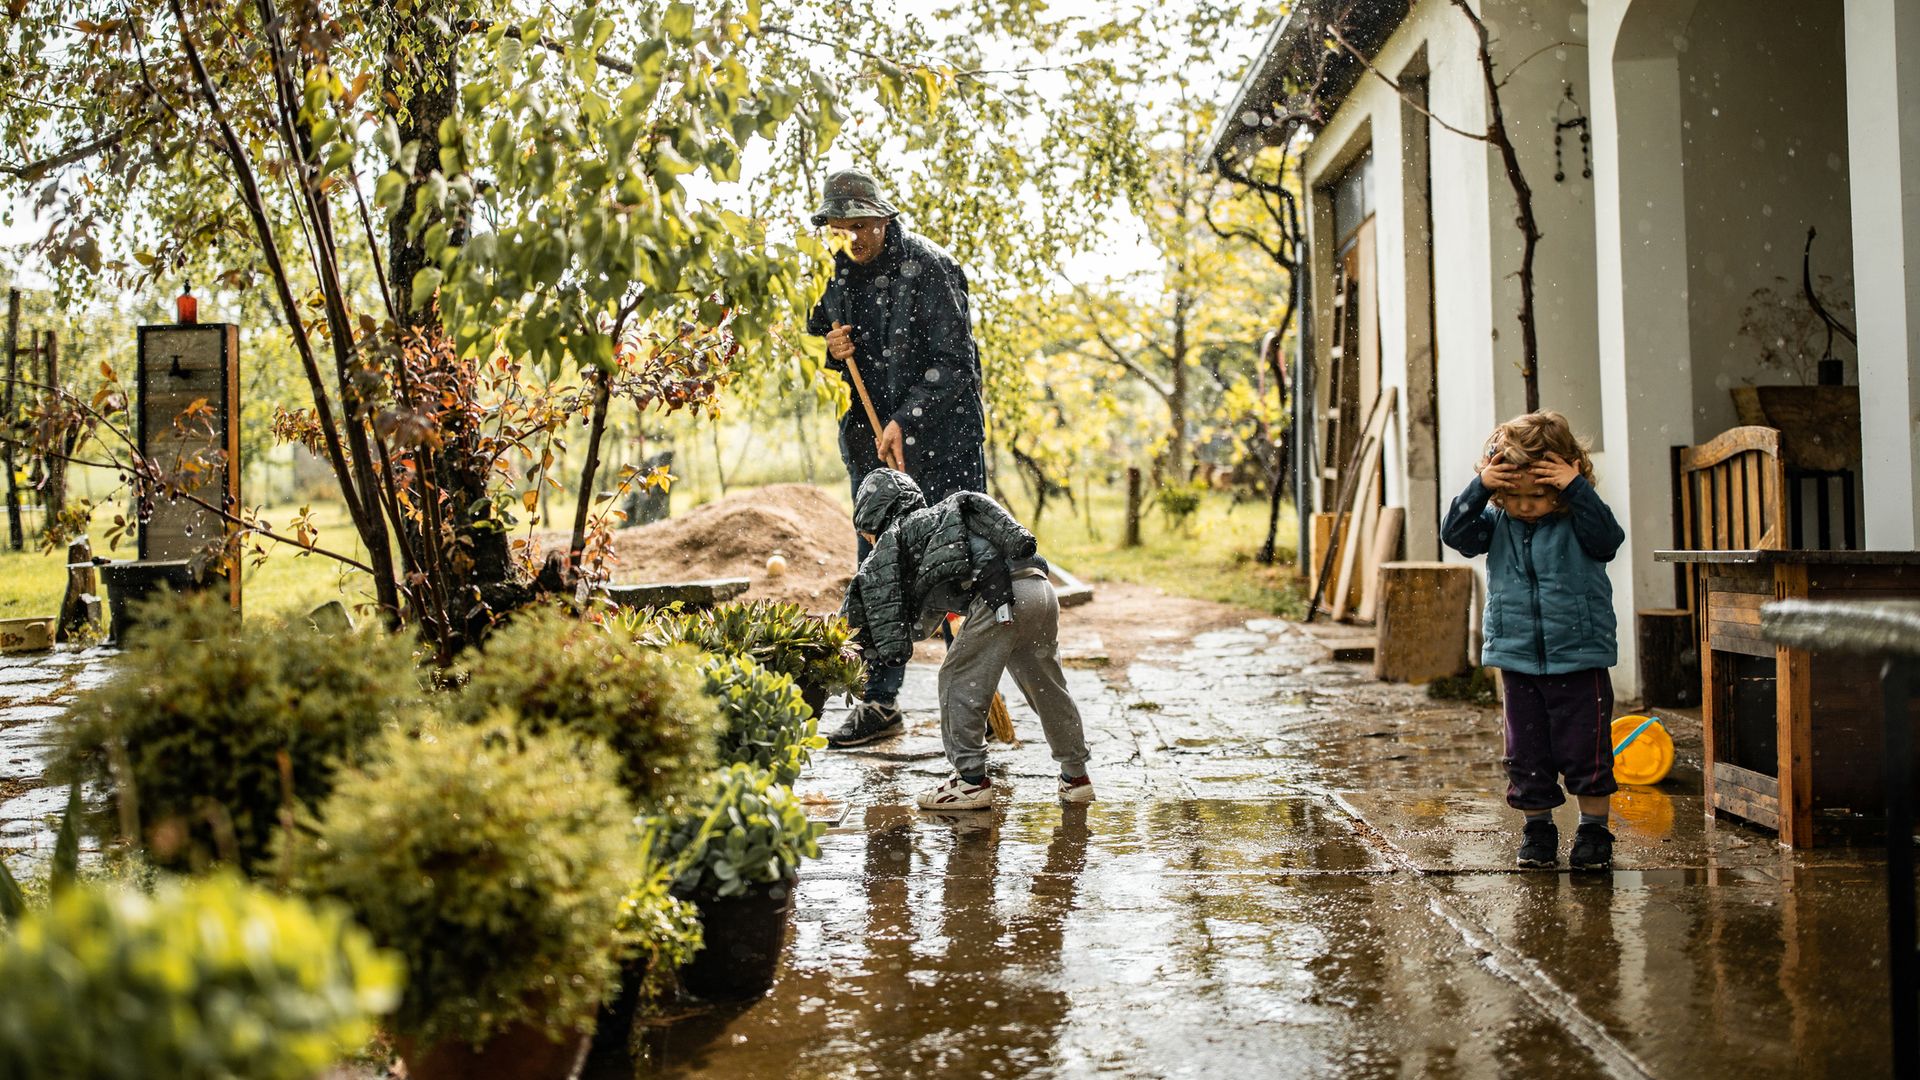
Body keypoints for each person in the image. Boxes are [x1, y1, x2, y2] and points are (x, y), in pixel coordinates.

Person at [804, 168, 989, 748]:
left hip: (942, 447)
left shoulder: (930, 269)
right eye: (842, 228)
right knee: (880, 571)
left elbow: (956, 367)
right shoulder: (837, 272)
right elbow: (822, 327)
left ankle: (975, 699)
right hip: (873, 449)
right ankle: (880, 703)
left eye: (862, 226)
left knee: (957, 566)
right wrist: (834, 349)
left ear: (884, 219)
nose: (853, 239)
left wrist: (904, 421)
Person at [840, 469, 1093, 810]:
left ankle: (970, 781)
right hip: (1039, 588)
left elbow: (890, 603)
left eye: (868, 534)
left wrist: (884, 643)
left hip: (999, 599)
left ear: (875, 517)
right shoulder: (942, 521)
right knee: (1046, 686)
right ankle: (1076, 776)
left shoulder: (896, 539)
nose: (870, 541)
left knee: (957, 680)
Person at [1440, 411, 1625, 870]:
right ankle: (1538, 829)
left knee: (1588, 749)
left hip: (1579, 656)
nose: (1525, 506)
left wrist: (1577, 489)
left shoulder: (1580, 519)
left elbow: (1608, 540)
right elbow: (1455, 535)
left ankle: (1593, 831)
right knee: (1527, 753)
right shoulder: (1496, 522)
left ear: (1563, 481)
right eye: (1513, 496)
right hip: (1518, 656)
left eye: (1538, 495)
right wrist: (1481, 486)